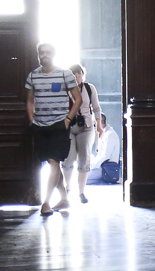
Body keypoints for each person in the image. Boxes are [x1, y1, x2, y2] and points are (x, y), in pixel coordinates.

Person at [25, 42, 81, 217]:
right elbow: (30, 100)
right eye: (42, 53)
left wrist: (67, 119)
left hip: (59, 125)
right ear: (38, 55)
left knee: (53, 161)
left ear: (54, 55)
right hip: (40, 126)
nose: (44, 55)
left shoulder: (65, 74)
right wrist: (32, 120)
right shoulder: (33, 76)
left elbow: (77, 99)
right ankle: (64, 198)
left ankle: (46, 202)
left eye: (48, 53)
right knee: (51, 162)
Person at [64, 63, 106, 203]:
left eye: (79, 73)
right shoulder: (65, 89)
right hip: (69, 127)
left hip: (86, 127)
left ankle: (81, 192)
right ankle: (67, 188)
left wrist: (99, 125)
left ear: (83, 75)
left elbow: (96, 108)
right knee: (68, 158)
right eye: (74, 74)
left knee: (84, 158)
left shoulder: (89, 88)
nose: (77, 76)